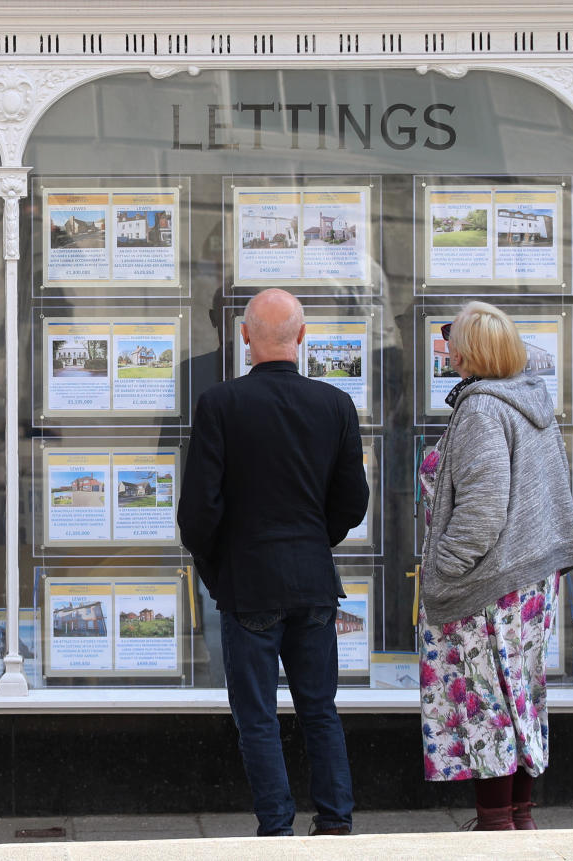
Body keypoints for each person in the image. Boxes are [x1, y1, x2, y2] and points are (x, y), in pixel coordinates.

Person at [178, 288, 369, 837]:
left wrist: (220, 568)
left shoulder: (221, 404)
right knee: (320, 710)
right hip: (312, 581)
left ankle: (277, 831)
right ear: (301, 337)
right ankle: (335, 824)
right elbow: (352, 503)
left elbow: (198, 513)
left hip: (249, 585)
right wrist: (314, 541)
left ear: (244, 337)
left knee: (258, 717)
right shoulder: (335, 405)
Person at [418, 301, 573, 830]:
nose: (447, 348)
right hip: (530, 577)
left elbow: (482, 510)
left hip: (490, 580)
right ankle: (518, 818)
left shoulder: (483, 409)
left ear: (469, 353)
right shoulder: (529, 397)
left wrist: (441, 570)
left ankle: (495, 826)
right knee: (521, 693)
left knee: (487, 698)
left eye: (453, 340)